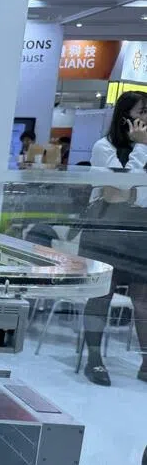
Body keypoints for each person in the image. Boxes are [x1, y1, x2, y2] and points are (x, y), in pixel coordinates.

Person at [78, 90, 147, 385]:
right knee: (101, 295)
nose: (146, 119)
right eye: (142, 112)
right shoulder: (103, 147)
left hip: (140, 232)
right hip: (105, 232)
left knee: (143, 299)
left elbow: (125, 193)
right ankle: (94, 358)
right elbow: (114, 192)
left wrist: (132, 195)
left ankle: (146, 361)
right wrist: (141, 148)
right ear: (125, 117)